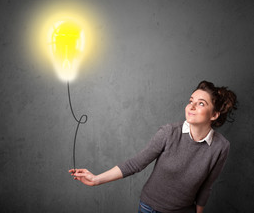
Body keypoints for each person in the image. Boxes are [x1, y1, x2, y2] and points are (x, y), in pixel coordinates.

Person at [69, 80, 237, 213]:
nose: (191, 106)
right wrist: (96, 179)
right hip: (150, 208)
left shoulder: (221, 147)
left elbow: (206, 187)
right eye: (190, 101)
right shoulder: (169, 132)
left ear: (214, 114)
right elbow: (135, 164)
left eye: (201, 103)